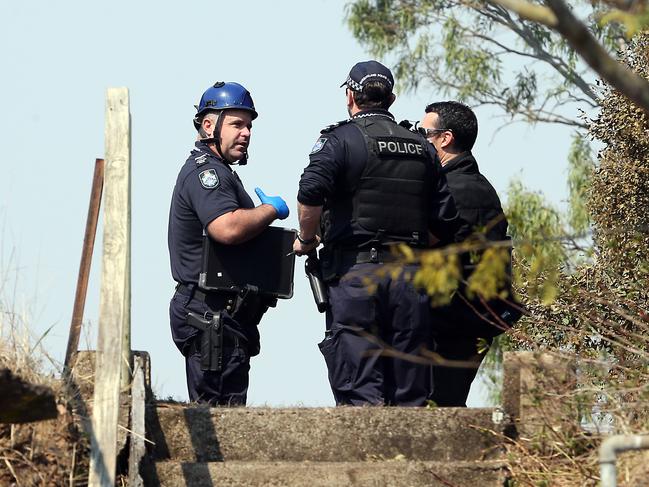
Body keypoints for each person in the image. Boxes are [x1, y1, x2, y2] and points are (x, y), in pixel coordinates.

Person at [294, 61, 463, 406]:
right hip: (410, 279)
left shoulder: (339, 140)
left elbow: (310, 192)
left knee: (359, 387)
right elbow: (445, 222)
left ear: (350, 96)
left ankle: (366, 458)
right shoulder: (424, 148)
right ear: (392, 98)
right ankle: (407, 458)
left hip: (356, 276)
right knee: (409, 389)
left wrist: (308, 238)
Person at [168, 81, 289, 405]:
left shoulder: (221, 171)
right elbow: (227, 228)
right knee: (218, 417)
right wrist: (268, 211)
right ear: (209, 125)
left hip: (223, 313)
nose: (246, 133)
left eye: (249, 125)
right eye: (237, 124)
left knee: (229, 408)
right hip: (208, 310)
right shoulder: (207, 173)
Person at [418, 101, 511, 407]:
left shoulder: (460, 189)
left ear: (445, 138)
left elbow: (428, 241)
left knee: (437, 406)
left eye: (423, 133)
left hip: (454, 320)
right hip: (461, 318)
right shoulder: (466, 184)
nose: (417, 142)